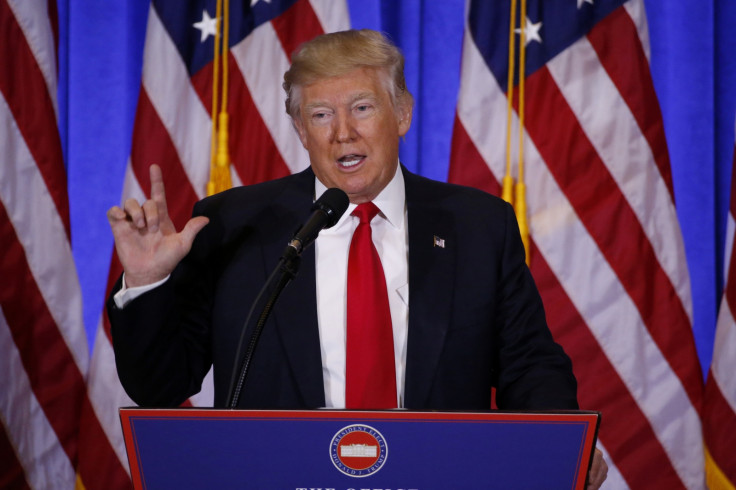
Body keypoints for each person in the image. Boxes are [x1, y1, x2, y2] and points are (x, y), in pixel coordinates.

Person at [107, 29, 606, 488]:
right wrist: (147, 283)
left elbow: (529, 366)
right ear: (301, 131)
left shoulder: (478, 225)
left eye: (362, 108)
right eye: (321, 115)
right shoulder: (235, 225)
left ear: (403, 114)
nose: (342, 132)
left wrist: (564, 445)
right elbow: (160, 386)